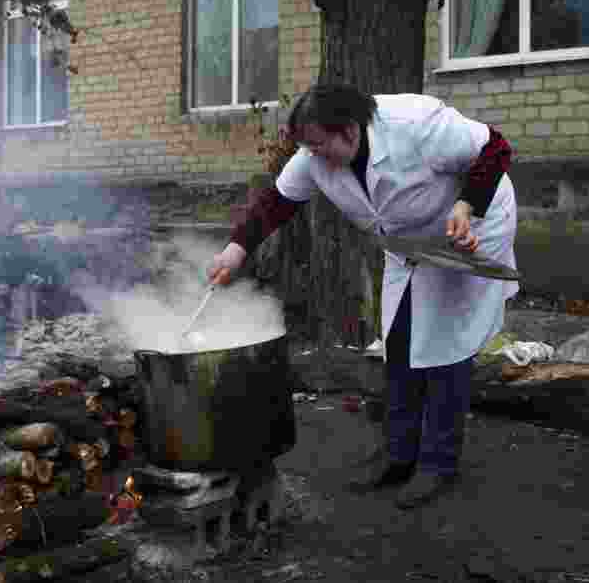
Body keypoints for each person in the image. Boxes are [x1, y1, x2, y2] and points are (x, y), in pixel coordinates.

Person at [208, 83, 518, 509]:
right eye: (308, 148)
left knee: (446, 350)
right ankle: (398, 453)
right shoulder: (317, 155)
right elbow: (277, 201)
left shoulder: (416, 123)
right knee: (401, 342)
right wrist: (236, 248)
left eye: (318, 146)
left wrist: (467, 206)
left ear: (350, 132)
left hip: (468, 231)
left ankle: (436, 464)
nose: (311, 157)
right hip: (409, 244)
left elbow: (494, 148)